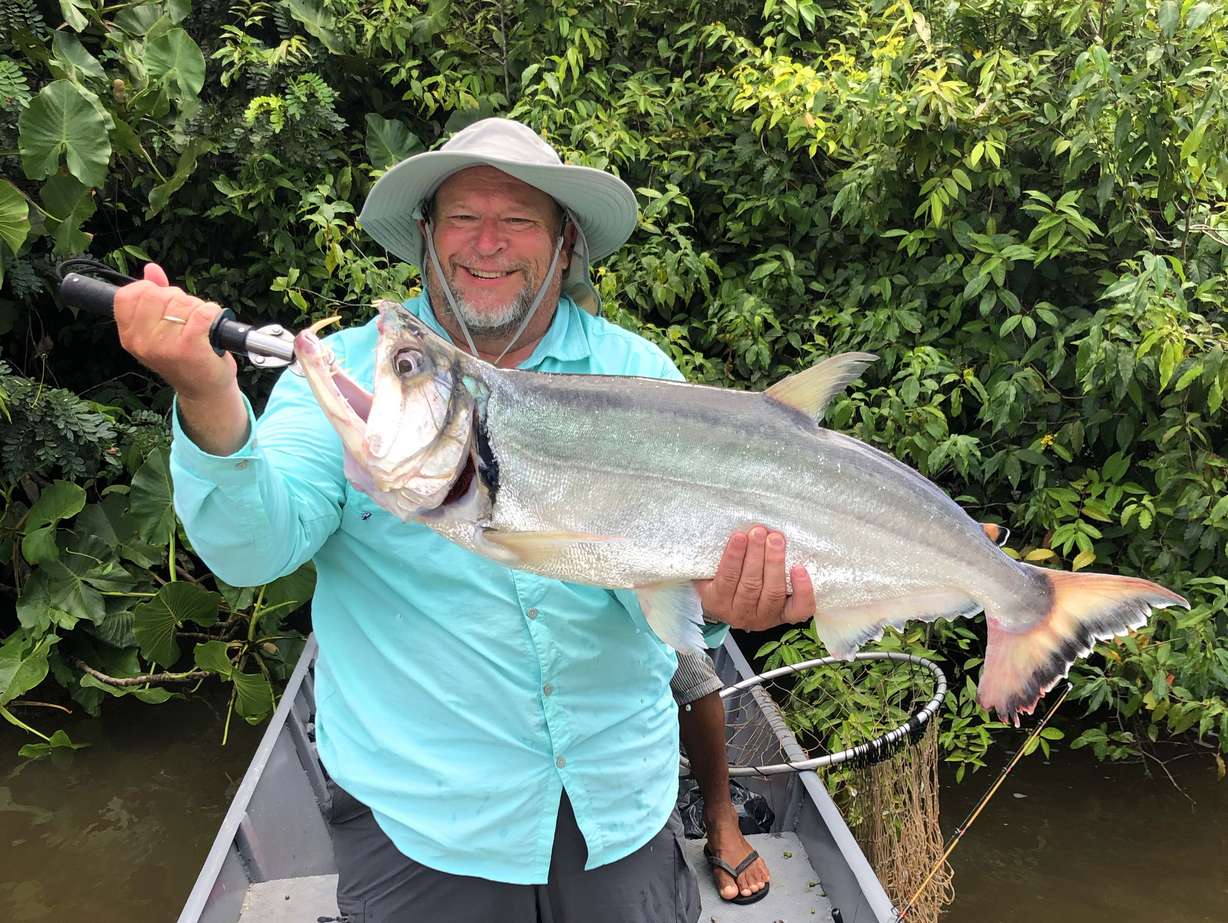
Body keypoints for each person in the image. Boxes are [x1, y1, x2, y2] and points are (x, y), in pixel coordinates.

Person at [113, 118, 810, 921]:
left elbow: (664, 585)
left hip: (617, 805)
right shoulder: (348, 372)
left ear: (564, 241)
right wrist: (205, 394)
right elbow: (251, 546)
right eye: (462, 218)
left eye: (517, 219)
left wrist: (719, 598)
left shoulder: (638, 374)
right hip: (423, 827)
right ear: (424, 234)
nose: (487, 243)